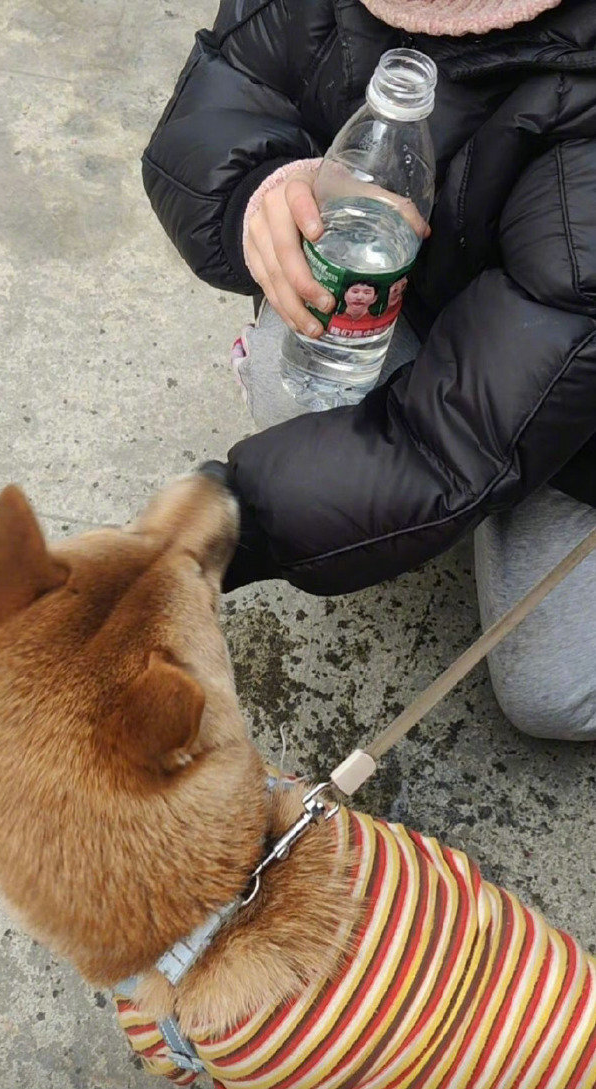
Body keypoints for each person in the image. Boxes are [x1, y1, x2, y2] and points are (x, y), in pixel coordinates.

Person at [143, 0, 596, 739]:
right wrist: (261, 193)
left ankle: (505, 497)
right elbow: (226, 91)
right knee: (294, 376)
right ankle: (459, 499)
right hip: (472, 304)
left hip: (578, 388)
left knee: (551, 692)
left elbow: (452, 441)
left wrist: (214, 530)